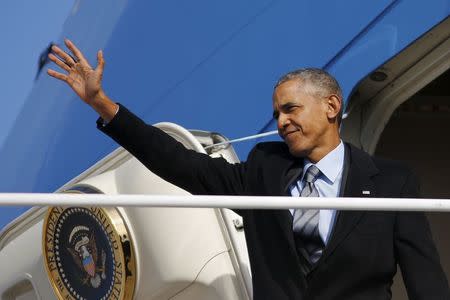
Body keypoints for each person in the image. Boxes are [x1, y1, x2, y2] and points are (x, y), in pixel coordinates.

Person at [48, 39, 449, 299]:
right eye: (276, 113)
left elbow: (425, 277)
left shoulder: (392, 181)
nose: (281, 121)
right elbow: (181, 164)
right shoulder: (265, 171)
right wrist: (103, 105)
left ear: (331, 107)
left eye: (290, 108)